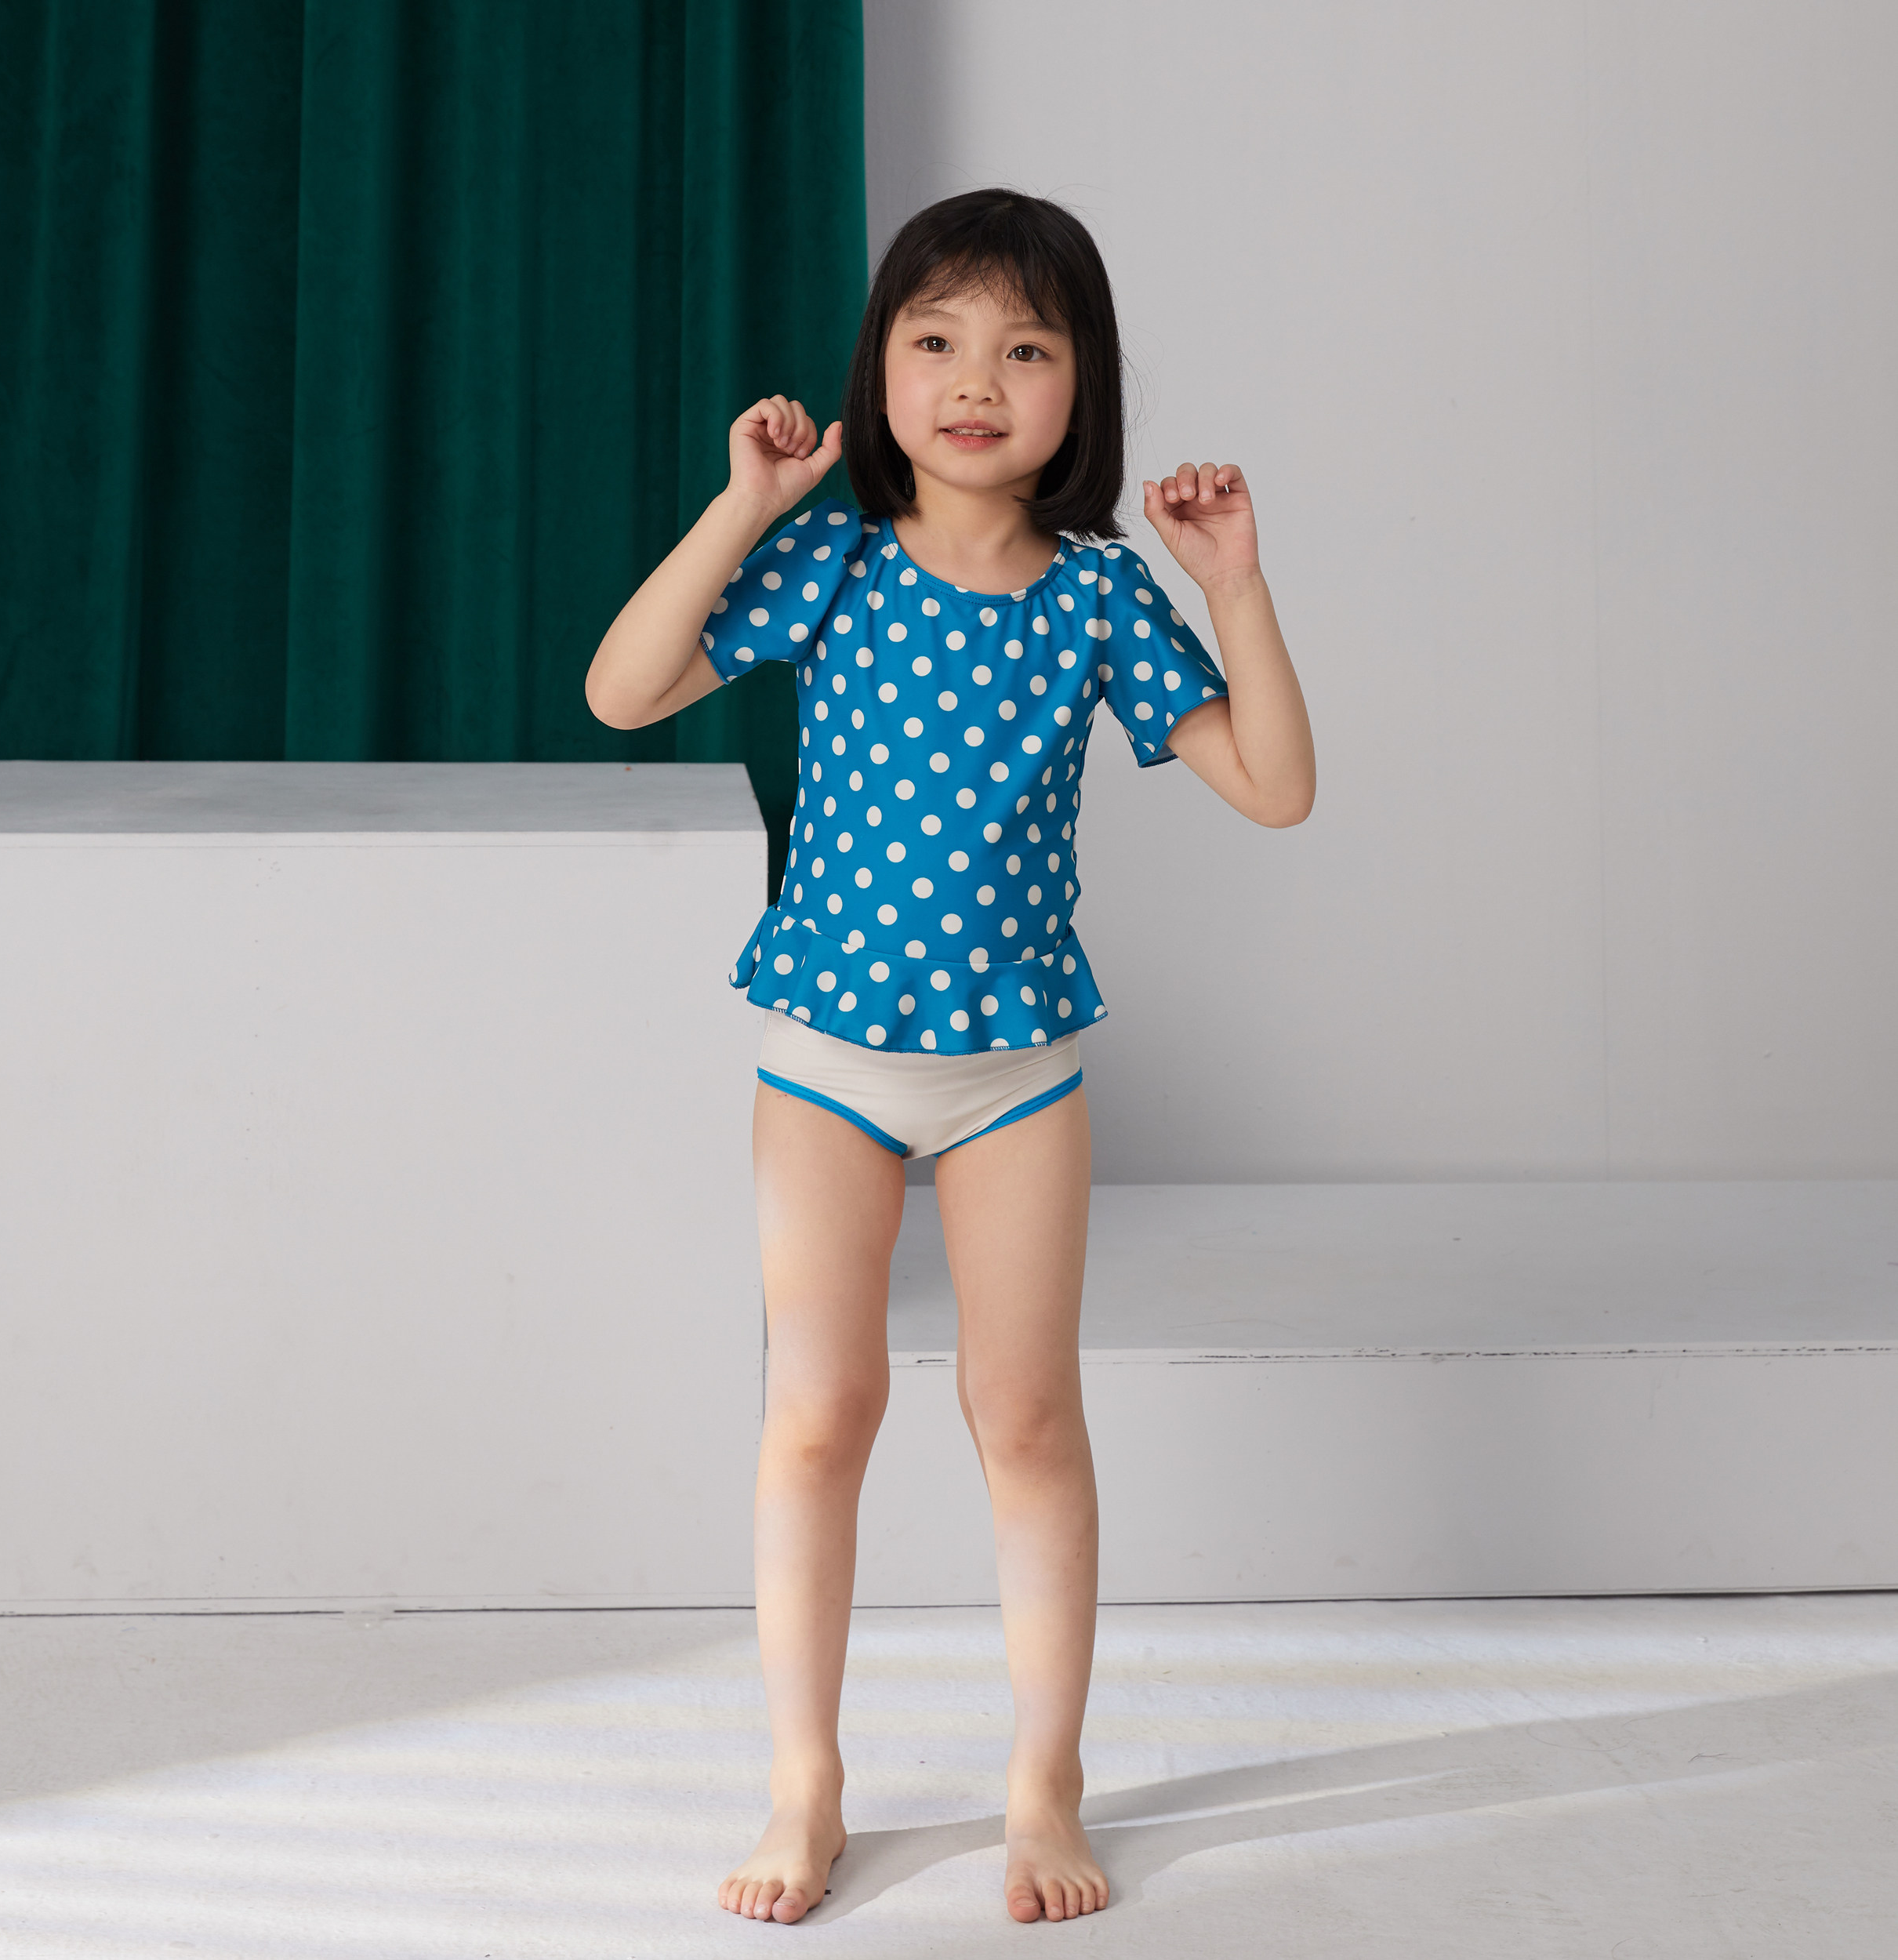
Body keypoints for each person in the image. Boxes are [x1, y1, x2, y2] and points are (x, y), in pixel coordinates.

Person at [584, 187, 1314, 1927]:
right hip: (824, 1061)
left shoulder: (1098, 593)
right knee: (817, 1414)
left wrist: (1233, 583)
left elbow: (1276, 786)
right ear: (881, 368)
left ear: (1081, 390)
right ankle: (805, 1780)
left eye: (1025, 348)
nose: (976, 379)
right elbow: (624, 689)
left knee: (1026, 1416)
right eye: (936, 340)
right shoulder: (830, 561)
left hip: (1015, 1075)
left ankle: (1044, 1778)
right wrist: (745, 503)